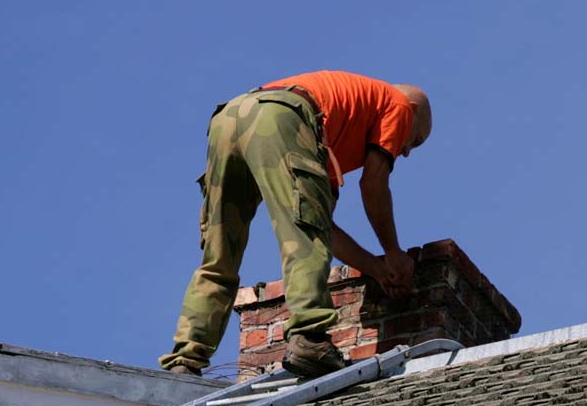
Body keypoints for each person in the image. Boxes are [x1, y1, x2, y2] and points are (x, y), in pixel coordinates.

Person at [159, 70, 432, 378]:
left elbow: (324, 228)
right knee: (302, 237)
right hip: (283, 115)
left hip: (229, 119)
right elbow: (373, 185)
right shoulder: (399, 103)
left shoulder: (329, 140)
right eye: (417, 140)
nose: (407, 152)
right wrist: (393, 251)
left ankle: (187, 358)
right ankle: (309, 338)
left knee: (220, 252)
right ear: (415, 110)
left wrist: (379, 271)